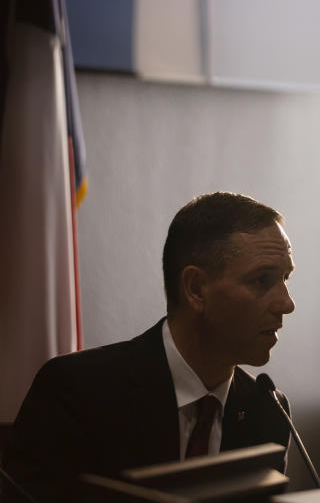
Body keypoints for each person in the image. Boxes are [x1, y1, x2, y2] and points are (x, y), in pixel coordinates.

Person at [2, 192, 297, 502]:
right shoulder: (77, 391)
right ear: (196, 289)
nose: (286, 304)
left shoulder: (268, 412)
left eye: (286, 278)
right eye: (262, 281)